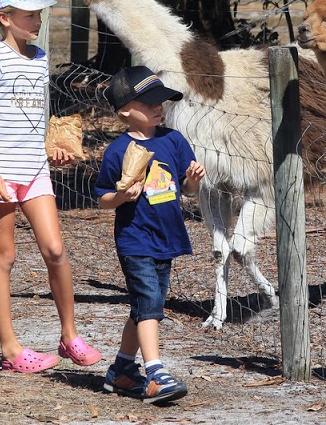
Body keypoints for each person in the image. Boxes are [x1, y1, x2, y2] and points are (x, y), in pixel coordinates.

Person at [0, 0, 102, 373]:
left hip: (34, 169)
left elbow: (32, 120)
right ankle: (10, 350)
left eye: (39, 13)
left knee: (55, 250)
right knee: (3, 257)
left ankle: (69, 337)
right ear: (5, 18)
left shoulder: (40, 56)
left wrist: (51, 148)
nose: (37, 20)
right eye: (29, 15)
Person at [95, 65, 206, 405]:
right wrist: (122, 197)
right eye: (150, 103)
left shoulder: (173, 139)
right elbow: (103, 199)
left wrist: (193, 179)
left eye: (162, 101)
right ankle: (155, 372)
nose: (159, 107)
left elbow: (185, 189)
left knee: (143, 306)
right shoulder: (117, 151)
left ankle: (122, 371)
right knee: (150, 305)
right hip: (135, 240)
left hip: (167, 237)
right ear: (126, 110)